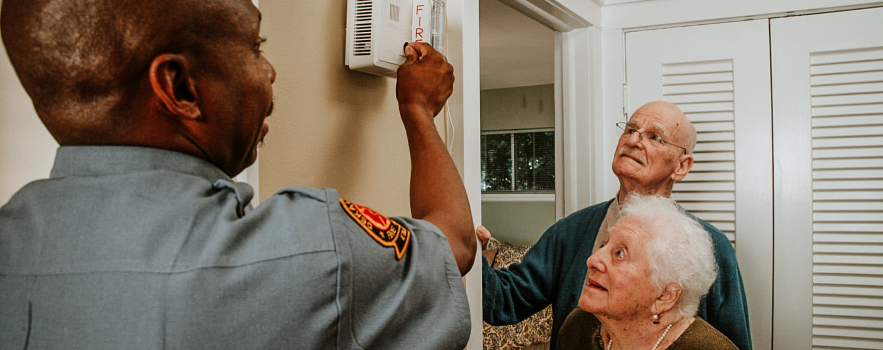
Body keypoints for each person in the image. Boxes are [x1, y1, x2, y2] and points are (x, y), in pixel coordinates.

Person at [0, 0, 475, 349]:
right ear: (179, 88)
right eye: (254, 46)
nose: (268, 71)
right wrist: (417, 110)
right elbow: (454, 242)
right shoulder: (311, 248)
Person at [479, 101, 752, 350]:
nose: (633, 140)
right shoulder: (570, 232)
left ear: (681, 166)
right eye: (630, 129)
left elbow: (732, 343)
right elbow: (504, 301)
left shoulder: (709, 247)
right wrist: (467, 251)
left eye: (654, 136)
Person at [557, 194, 738, 350]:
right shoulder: (579, 326)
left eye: (620, 253)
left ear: (664, 296)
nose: (593, 260)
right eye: (604, 245)